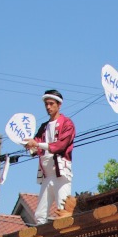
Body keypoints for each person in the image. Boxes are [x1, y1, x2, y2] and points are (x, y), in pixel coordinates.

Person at [24, 89, 75, 224]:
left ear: (59, 105)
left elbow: (60, 146)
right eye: (46, 104)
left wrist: (37, 144)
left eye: (51, 104)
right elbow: (36, 146)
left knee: (63, 211)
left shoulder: (67, 123)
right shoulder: (44, 127)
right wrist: (30, 146)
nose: (48, 107)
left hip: (61, 173)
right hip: (47, 175)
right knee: (40, 215)